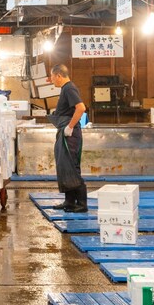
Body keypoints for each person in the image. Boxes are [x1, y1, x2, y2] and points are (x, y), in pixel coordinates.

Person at [47, 64, 88, 213]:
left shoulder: (69, 88)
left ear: (59, 75)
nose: (52, 81)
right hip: (65, 131)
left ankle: (82, 204)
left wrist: (70, 127)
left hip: (71, 134)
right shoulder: (65, 89)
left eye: (52, 77)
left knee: (71, 166)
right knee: (64, 166)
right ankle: (70, 201)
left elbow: (81, 108)